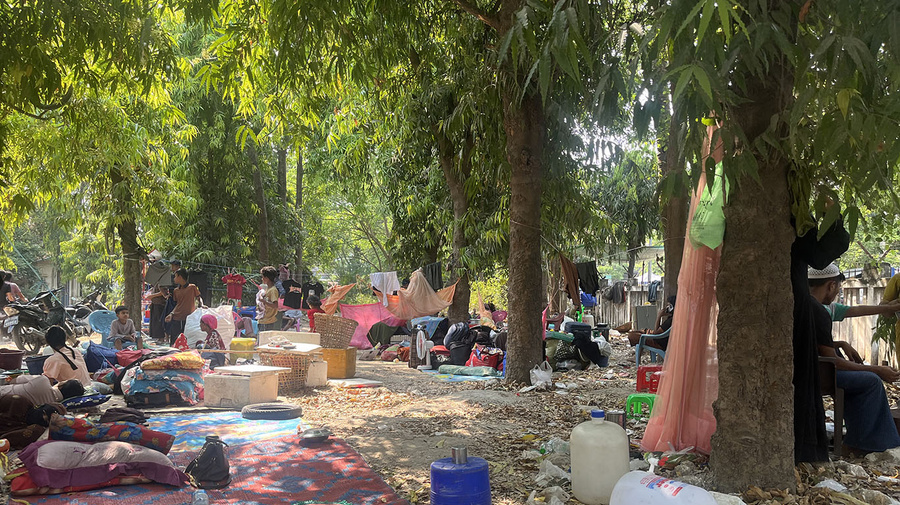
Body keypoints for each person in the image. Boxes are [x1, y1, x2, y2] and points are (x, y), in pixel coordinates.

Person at [808, 263, 900, 454]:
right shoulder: (818, 312)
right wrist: (876, 369)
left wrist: (840, 343)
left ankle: (856, 439)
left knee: (861, 380)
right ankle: (866, 445)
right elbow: (834, 361)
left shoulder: (808, 305)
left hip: (813, 367)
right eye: (838, 289)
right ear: (832, 285)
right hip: (818, 372)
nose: (836, 294)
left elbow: (853, 311)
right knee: (871, 381)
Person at [165, 268, 202, 345]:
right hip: (177, 317)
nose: (174, 279)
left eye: (175, 276)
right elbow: (177, 304)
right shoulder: (176, 290)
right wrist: (171, 314)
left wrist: (202, 305)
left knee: (187, 340)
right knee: (175, 340)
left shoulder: (192, 287)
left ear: (180, 277)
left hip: (188, 318)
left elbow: (199, 298)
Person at [258, 267, 280, 331]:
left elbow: (275, 305)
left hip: (268, 321)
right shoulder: (268, 289)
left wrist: (263, 300)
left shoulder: (273, 290)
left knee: (264, 340)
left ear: (267, 278)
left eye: (263, 277)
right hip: (263, 320)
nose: (262, 279)